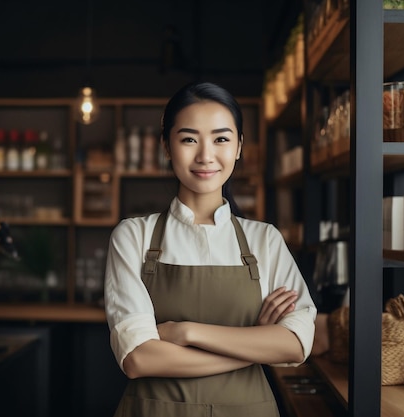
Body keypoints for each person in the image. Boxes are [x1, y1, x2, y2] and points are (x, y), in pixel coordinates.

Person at [104, 81, 316, 417]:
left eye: (221, 139)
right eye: (189, 139)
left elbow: (295, 344)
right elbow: (139, 359)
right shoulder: (133, 236)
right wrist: (256, 343)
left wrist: (185, 331)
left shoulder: (266, 240)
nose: (205, 155)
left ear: (239, 147)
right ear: (166, 146)